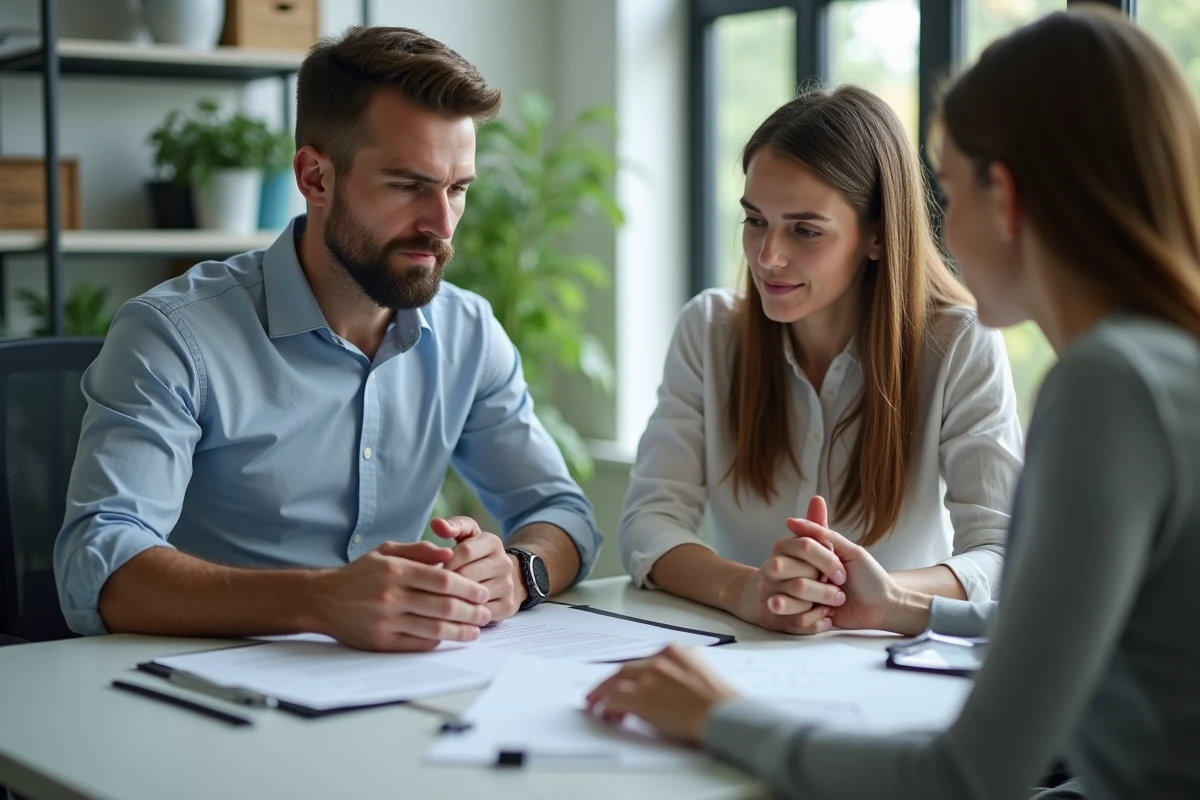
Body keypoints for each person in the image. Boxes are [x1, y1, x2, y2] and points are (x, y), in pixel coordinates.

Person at [588, 6, 1200, 797]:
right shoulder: (1158, 365)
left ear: (1004, 197)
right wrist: (899, 604)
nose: (938, 225)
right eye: (754, 222)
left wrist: (716, 716)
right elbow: (1074, 630)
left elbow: (967, 775)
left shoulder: (1104, 386)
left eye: (946, 191)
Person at [53, 26, 601, 651]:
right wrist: (320, 600)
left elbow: (562, 512)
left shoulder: (468, 332)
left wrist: (517, 570)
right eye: (407, 186)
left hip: (397, 683)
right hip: (207, 684)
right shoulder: (174, 335)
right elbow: (99, 568)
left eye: (457, 189)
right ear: (315, 177)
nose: (441, 225)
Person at [618, 84, 1023, 635]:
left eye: (805, 230)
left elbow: (1000, 554)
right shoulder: (708, 330)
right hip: (740, 651)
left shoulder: (958, 342)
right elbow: (649, 523)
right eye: (755, 220)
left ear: (877, 234)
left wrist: (887, 595)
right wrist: (746, 590)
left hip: (886, 662)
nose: (768, 257)